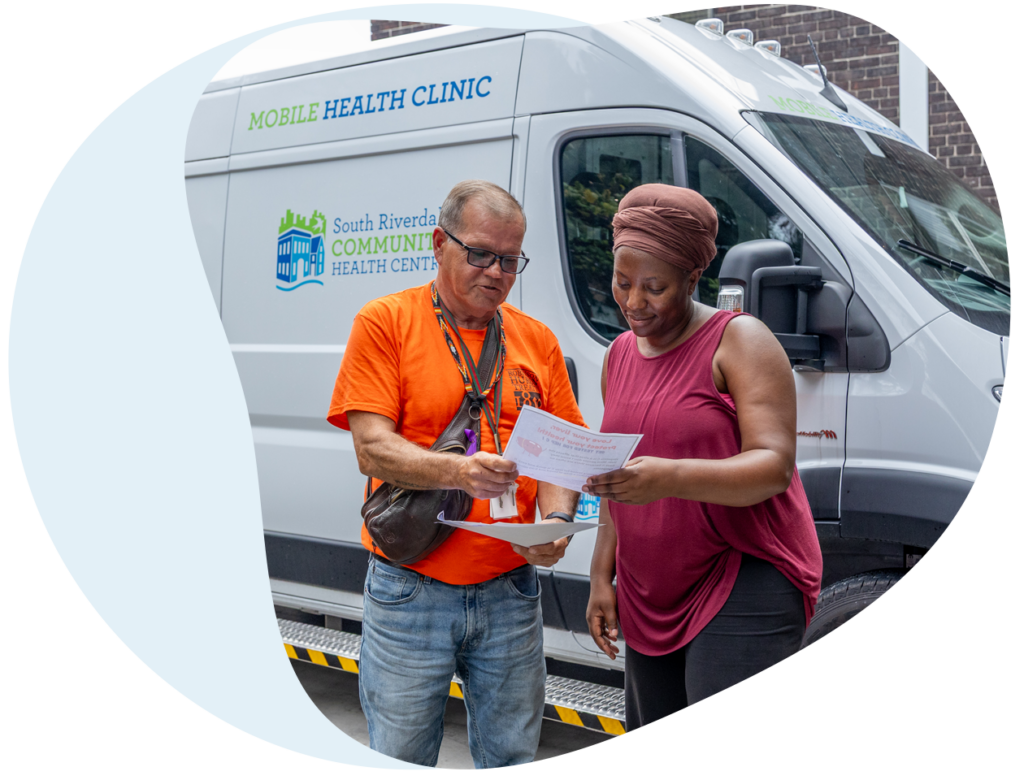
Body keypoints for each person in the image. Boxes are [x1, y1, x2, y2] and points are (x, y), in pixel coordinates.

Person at [327, 180, 585, 768]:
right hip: (410, 587)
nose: (496, 273)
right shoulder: (386, 321)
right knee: (400, 754)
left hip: (511, 590)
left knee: (513, 755)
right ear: (439, 243)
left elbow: (561, 456)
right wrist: (459, 472)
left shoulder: (537, 340)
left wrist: (556, 521)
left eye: (510, 260)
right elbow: (371, 450)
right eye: (481, 254)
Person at [582, 183, 823, 731]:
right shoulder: (619, 355)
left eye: (655, 288)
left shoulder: (740, 341)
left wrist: (670, 477)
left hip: (743, 570)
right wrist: (601, 577)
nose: (633, 303)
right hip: (650, 586)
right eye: (622, 283)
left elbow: (773, 466)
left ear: (693, 279)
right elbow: (619, 481)